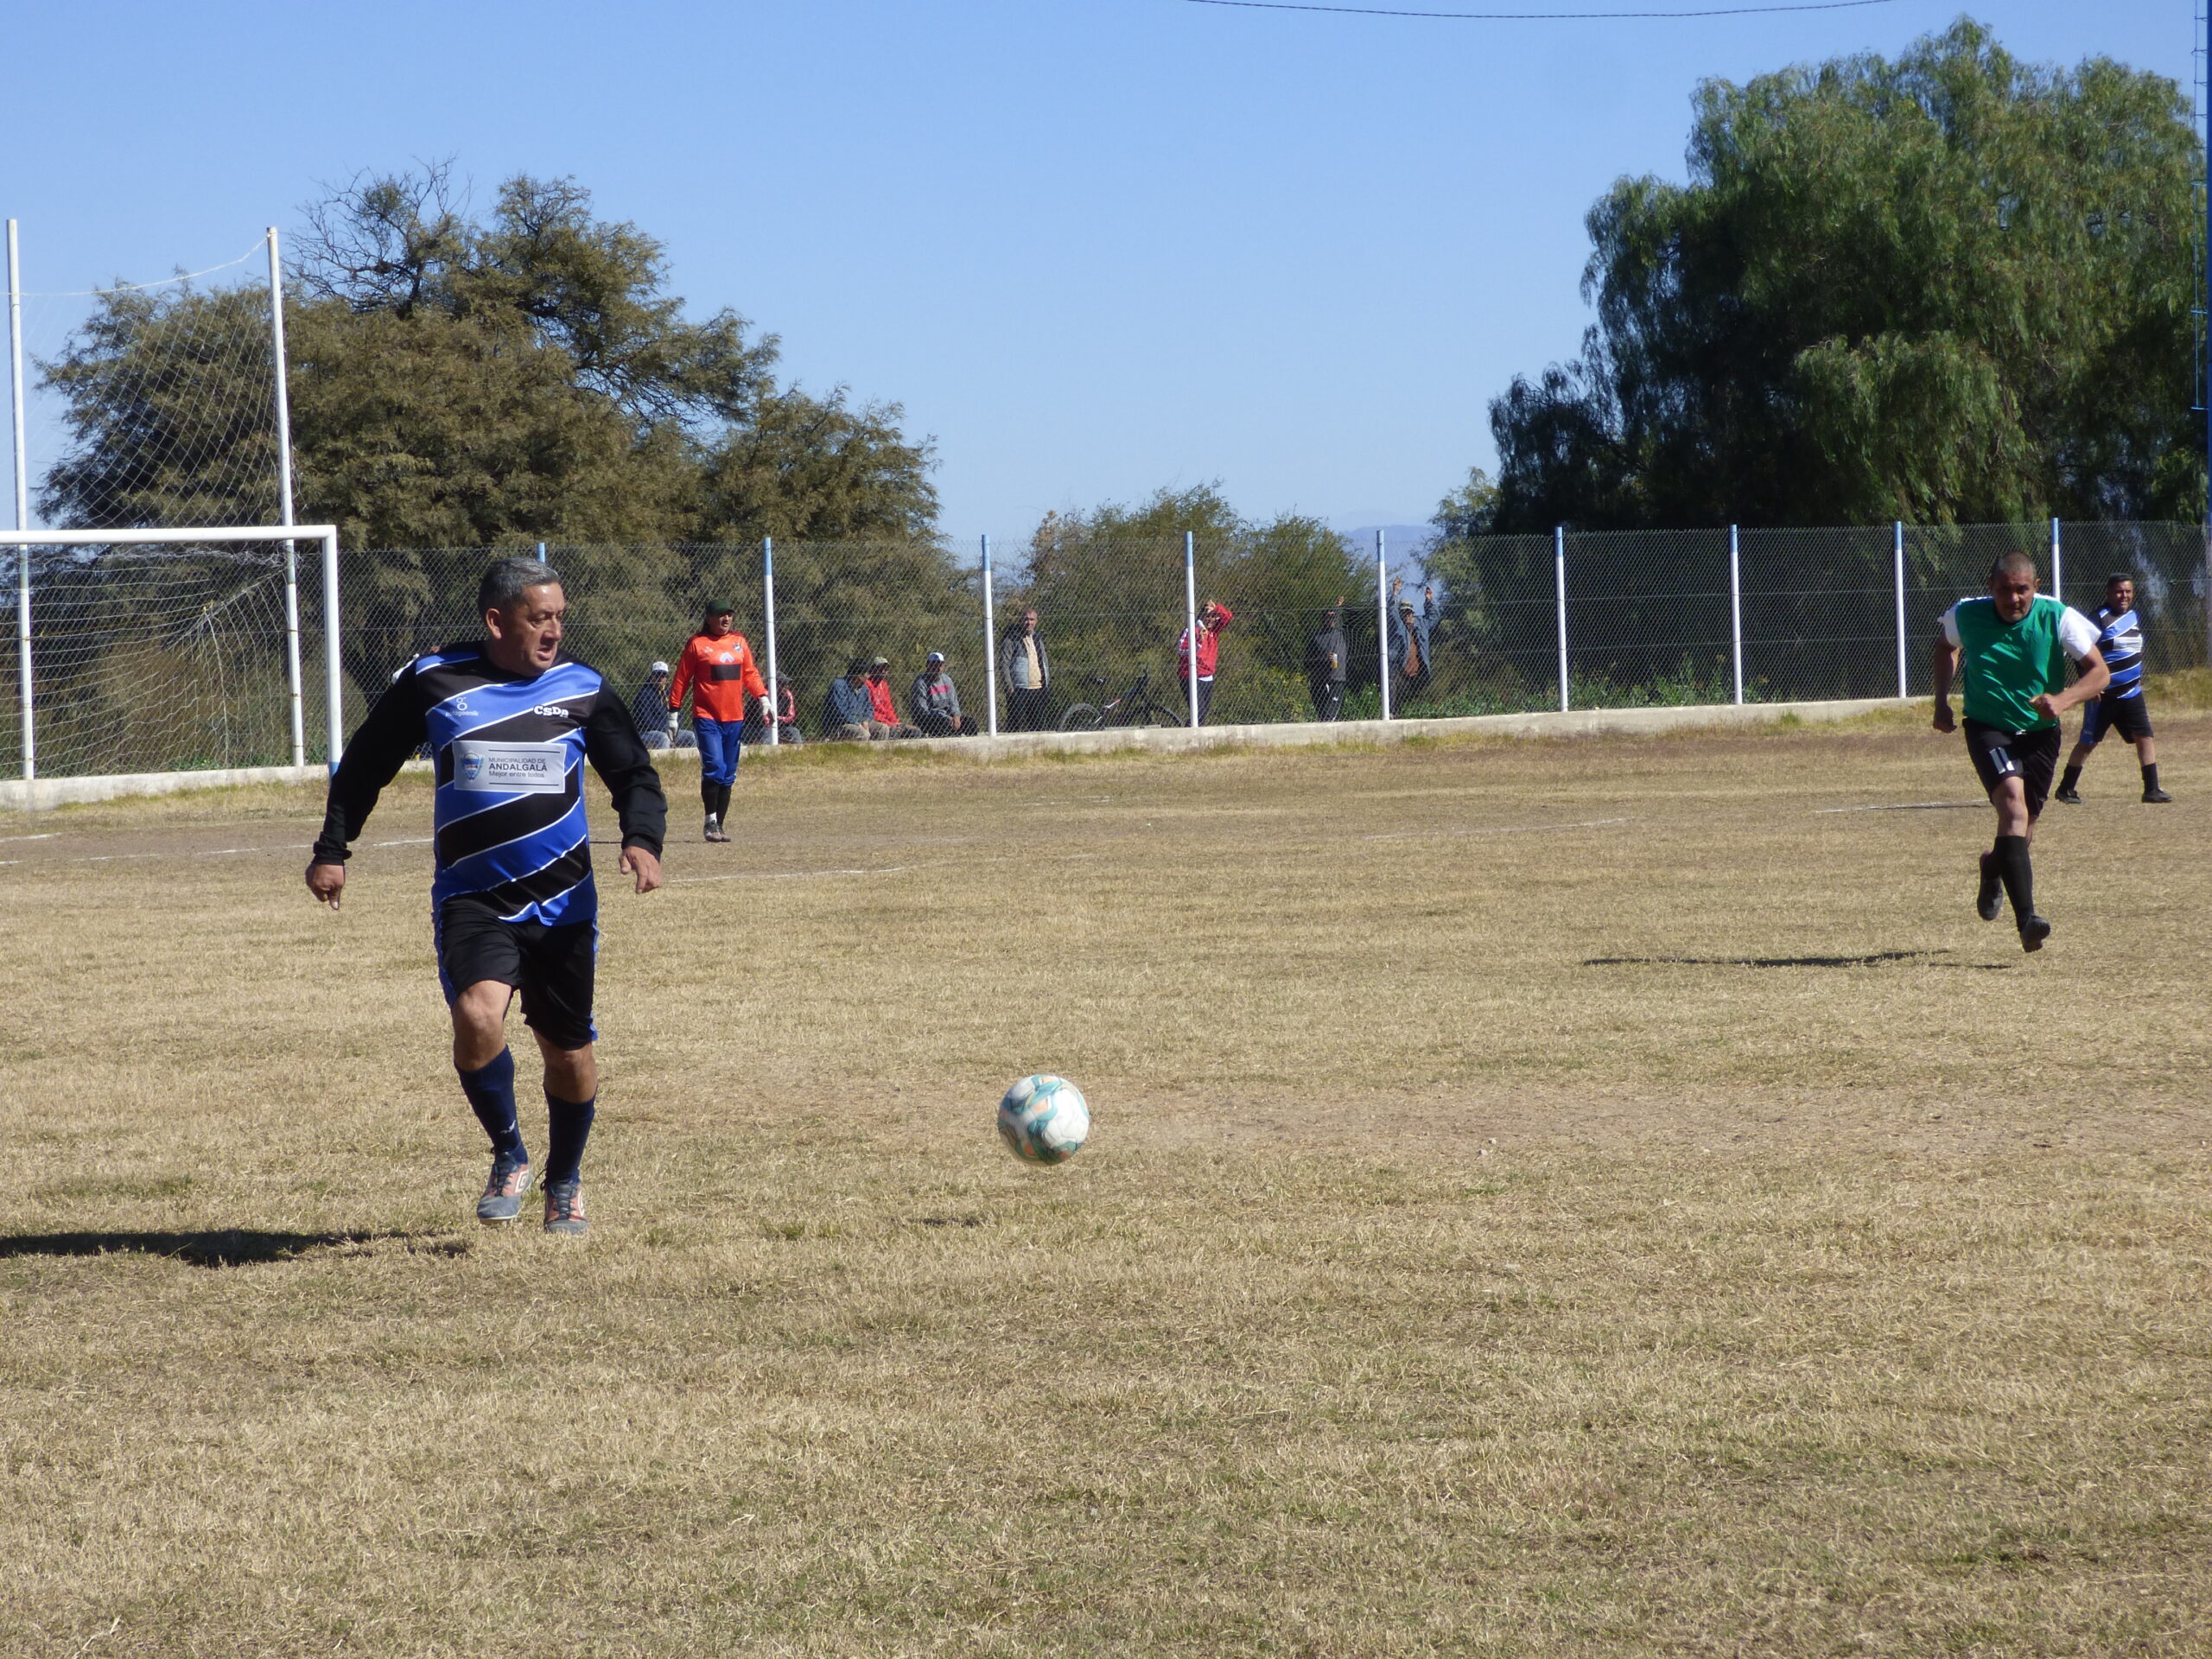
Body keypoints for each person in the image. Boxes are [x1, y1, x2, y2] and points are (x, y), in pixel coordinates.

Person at [303, 555, 666, 1237]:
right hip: (474, 900)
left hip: (564, 907)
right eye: (540, 617)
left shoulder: (582, 688)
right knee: (477, 1017)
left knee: (569, 1053)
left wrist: (642, 838)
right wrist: (333, 849)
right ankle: (509, 1154)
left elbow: (635, 775)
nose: (555, 630)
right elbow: (366, 764)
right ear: (497, 620)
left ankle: (565, 1180)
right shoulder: (434, 681)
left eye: (560, 616)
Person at [1932, 551, 2108, 953]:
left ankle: (1992, 867)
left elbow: (2099, 672)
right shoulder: (1966, 614)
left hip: (2041, 734)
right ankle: (2028, 921)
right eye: (2005, 590)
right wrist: (1941, 701)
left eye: (2022, 590)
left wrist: (2063, 700)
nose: (2014, 599)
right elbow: (1944, 648)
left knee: (2022, 834)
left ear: (2036, 586)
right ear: (1990, 586)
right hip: (1987, 728)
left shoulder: (2057, 616)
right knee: (2013, 805)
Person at [2055, 573, 2171, 804]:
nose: (2124, 596)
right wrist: (2089, 685)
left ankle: (2152, 789)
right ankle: (2065, 789)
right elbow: (2081, 654)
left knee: (2144, 736)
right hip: (2103, 695)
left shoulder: (2135, 617)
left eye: (2128, 591)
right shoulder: (2098, 618)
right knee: (2089, 742)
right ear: (2108, 593)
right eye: (2119, 591)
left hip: (2131, 693)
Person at [668, 601, 766, 844]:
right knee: (715, 767)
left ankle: (719, 825)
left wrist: (763, 697)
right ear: (709, 618)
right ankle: (709, 820)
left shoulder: (739, 642)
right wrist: (674, 712)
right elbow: (681, 678)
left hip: (735, 717)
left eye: (729, 615)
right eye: (721, 615)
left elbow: (750, 673)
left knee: (728, 774)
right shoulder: (697, 643)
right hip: (707, 717)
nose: (726, 619)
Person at [1176, 600, 1234, 725]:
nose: (1211, 620)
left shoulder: (1214, 631)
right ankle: (1187, 734)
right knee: (1199, 713)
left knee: (1203, 713)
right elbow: (1181, 650)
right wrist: (1199, 642)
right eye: (1208, 616)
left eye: (1214, 617)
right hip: (1191, 677)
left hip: (1207, 677)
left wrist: (1217, 608)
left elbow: (1228, 617)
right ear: (1202, 616)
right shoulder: (1192, 630)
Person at [1000, 608, 1052, 731]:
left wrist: (1046, 683)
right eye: (1026, 619)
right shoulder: (1011, 640)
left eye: (1032, 619)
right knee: (1015, 725)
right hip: (1019, 689)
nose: (1029, 622)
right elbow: (1004, 663)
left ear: (1036, 621)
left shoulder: (1038, 639)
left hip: (1038, 688)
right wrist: (1009, 686)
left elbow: (1044, 662)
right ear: (1021, 621)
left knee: (1038, 726)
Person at [1389, 580, 1437, 711]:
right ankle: (1392, 712)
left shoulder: (1421, 625)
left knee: (1432, 688)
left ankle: (1419, 711)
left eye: (1410, 613)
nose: (1408, 616)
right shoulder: (1399, 627)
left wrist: (1429, 601)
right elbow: (1392, 612)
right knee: (1392, 680)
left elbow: (1434, 617)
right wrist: (1395, 593)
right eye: (1404, 613)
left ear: (1413, 613)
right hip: (1403, 675)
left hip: (1419, 675)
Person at [911, 651, 978, 735]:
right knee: (943, 722)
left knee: (970, 723)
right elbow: (923, 710)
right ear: (928, 665)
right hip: (928, 718)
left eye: (940, 665)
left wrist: (956, 716)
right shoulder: (920, 683)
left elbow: (953, 703)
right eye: (934, 665)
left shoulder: (947, 680)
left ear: (944, 667)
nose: (938, 668)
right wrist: (944, 716)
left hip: (947, 716)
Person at [1305, 603, 1349, 721]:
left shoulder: (1341, 634)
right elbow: (1307, 661)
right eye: (1328, 617)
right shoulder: (1316, 638)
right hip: (1320, 678)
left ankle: (1329, 723)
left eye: (1333, 618)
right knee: (1321, 709)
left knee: (1331, 711)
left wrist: (1338, 606)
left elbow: (1343, 617)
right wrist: (1324, 659)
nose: (1331, 620)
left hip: (1336, 678)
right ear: (1323, 619)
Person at [865, 657, 923, 739]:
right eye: (880, 668)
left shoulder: (884, 685)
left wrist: (895, 722)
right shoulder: (867, 685)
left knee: (915, 731)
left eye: (885, 669)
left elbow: (889, 708)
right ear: (873, 669)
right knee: (893, 732)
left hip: (889, 722)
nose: (883, 671)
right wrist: (889, 724)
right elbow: (871, 712)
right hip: (878, 722)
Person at [746, 672, 804, 746]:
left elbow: (791, 717)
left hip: (779, 726)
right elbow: (762, 719)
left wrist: (776, 719)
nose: (787, 686)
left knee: (795, 732)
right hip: (757, 727)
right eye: (783, 684)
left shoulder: (787, 696)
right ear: (775, 684)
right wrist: (779, 719)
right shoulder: (763, 695)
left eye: (786, 684)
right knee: (768, 733)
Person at [825, 660, 878, 740]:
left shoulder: (864, 689)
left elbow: (869, 708)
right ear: (859, 676)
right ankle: (862, 752)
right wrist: (856, 723)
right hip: (841, 724)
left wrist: (866, 720)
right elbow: (840, 711)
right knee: (863, 734)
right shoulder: (839, 685)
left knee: (882, 729)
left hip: (861, 721)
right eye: (866, 675)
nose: (868, 678)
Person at [630, 661, 671, 747]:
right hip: (645, 732)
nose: (660, 678)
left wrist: (674, 730)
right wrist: (666, 730)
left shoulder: (668, 692)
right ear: (652, 676)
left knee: (691, 736)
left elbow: (678, 714)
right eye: (657, 675)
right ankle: (663, 760)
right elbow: (647, 720)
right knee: (664, 738)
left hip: (669, 731)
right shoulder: (644, 693)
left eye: (663, 675)